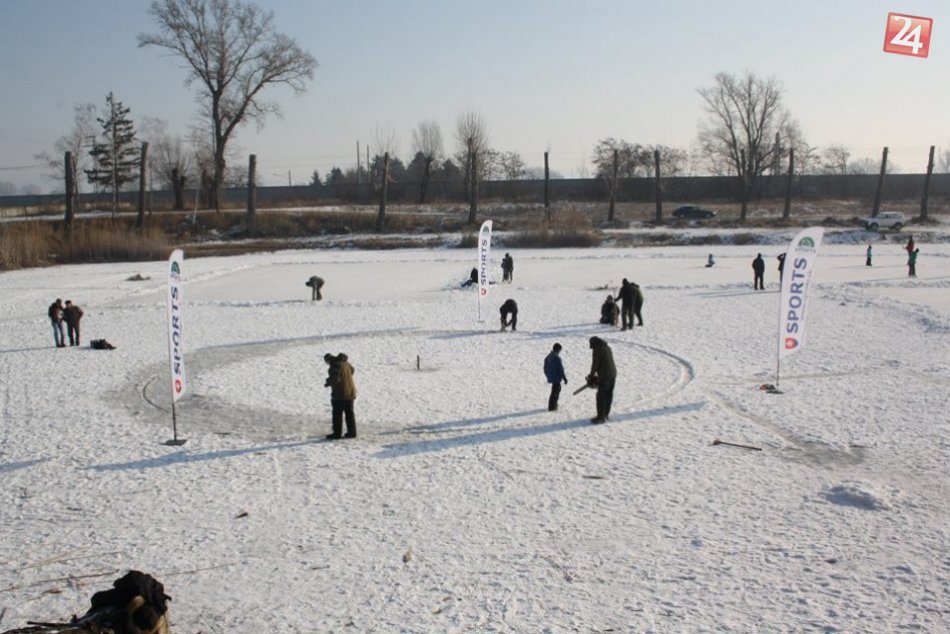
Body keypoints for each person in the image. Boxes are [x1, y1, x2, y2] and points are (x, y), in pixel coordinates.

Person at [324, 353, 357, 439]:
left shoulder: (334, 366)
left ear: (328, 360)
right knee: (349, 413)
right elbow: (352, 370)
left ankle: (337, 433)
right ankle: (352, 432)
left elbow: (335, 379)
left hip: (340, 394)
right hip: (350, 392)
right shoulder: (346, 363)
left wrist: (328, 382)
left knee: (337, 414)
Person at [586, 336, 616, 424]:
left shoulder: (597, 350)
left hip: (605, 376)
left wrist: (591, 376)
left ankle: (600, 417)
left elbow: (595, 364)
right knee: (608, 395)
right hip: (613, 374)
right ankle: (606, 414)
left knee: (601, 396)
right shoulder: (607, 347)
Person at [543, 343, 568, 412]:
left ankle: (552, 405)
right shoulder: (557, 359)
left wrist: (548, 375)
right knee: (555, 392)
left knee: (554, 391)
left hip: (551, 377)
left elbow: (545, 368)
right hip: (556, 378)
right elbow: (561, 370)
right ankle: (552, 406)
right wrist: (564, 378)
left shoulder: (548, 357)